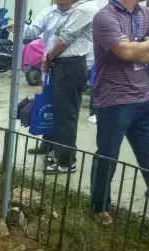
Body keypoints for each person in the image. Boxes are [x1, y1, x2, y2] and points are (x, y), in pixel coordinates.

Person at [90, 0, 149, 225]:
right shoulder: (105, 17)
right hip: (114, 100)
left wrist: (136, 47)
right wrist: (135, 47)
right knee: (108, 155)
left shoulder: (145, 13)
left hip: (144, 96)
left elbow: (130, 52)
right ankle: (100, 206)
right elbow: (124, 52)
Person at [8, 0, 73, 158]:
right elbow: (32, 31)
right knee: (48, 106)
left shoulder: (78, 13)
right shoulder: (49, 12)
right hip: (49, 67)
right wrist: (18, 27)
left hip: (68, 68)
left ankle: (63, 155)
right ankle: (47, 145)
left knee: (65, 113)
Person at [42, 0, 98, 174]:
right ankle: (60, 153)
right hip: (64, 65)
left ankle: (66, 161)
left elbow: (64, 40)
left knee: (66, 116)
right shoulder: (77, 9)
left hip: (70, 66)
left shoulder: (84, 9)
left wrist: (49, 57)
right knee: (60, 114)